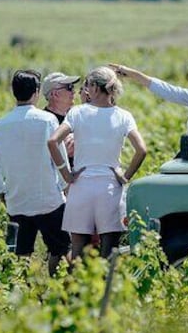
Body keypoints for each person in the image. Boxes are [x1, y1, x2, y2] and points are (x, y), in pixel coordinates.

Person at [47, 66, 147, 259]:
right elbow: (142, 150)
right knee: (109, 251)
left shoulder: (77, 113)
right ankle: (106, 288)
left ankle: (76, 289)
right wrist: (125, 176)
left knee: (77, 252)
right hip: (110, 188)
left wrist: (66, 174)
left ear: (93, 87)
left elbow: (52, 141)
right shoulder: (124, 116)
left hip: (81, 187)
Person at [0, 70, 70, 275]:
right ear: (37, 92)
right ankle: (59, 290)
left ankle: (23, 296)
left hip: (17, 201)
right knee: (61, 250)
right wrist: (63, 187)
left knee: (20, 255)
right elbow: (60, 159)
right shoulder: (47, 120)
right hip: (49, 200)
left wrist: (2, 193)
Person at [41, 71, 80, 165]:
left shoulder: (75, 117)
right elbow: (37, 159)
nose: (74, 91)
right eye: (69, 87)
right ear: (55, 94)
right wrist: (61, 153)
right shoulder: (43, 122)